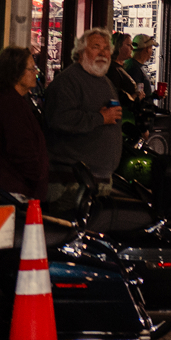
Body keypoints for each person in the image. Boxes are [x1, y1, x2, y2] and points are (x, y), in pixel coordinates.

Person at [44, 29, 123, 209]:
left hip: (98, 181)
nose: (103, 53)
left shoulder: (105, 81)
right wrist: (100, 118)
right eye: (96, 47)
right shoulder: (67, 81)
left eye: (106, 48)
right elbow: (60, 119)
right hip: (71, 183)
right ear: (80, 52)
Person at [0, 46, 49, 201]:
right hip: (11, 191)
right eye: (31, 68)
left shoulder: (8, 102)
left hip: (5, 187)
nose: (36, 72)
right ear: (16, 73)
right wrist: (37, 175)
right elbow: (21, 149)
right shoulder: (11, 106)